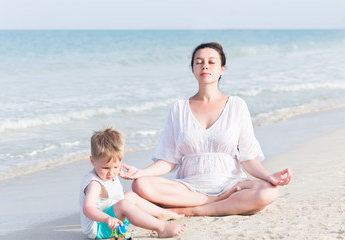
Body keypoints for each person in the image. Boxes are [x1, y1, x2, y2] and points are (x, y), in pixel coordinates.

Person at [120, 42, 292, 216]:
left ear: (222, 69)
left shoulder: (237, 105)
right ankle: (214, 201)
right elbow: (168, 160)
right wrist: (141, 172)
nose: (205, 66)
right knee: (141, 184)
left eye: (211, 62)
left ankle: (194, 211)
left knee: (269, 190)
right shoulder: (179, 108)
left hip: (231, 184)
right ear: (193, 68)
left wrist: (268, 177)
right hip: (188, 188)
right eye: (199, 62)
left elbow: (249, 159)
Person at [79, 127, 187, 239]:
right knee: (124, 204)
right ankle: (161, 228)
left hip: (112, 217)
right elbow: (88, 208)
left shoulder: (111, 171)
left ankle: (161, 213)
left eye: (116, 166)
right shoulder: (94, 184)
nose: (111, 172)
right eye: (105, 168)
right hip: (100, 227)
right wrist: (107, 219)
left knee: (130, 195)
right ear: (92, 161)